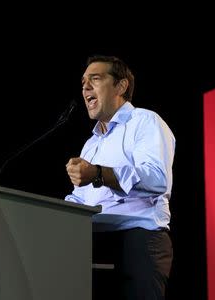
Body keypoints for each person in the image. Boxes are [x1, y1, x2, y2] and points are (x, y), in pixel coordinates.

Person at [65, 55, 175, 300]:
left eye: (95, 79)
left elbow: (157, 179)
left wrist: (99, 174)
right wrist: (54, 213)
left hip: (137, 241)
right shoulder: (90, 145)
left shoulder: (145, 122)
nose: (85, 88)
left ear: (121, 86)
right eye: (83, 82)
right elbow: (81, 200)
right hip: (92, 243)